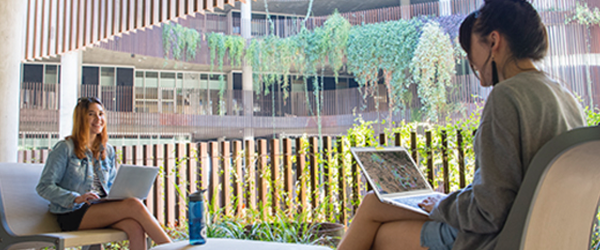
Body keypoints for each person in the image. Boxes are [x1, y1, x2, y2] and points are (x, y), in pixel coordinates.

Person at [337, 0, 587, 249]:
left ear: (493, 41)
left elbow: (489, 211)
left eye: (470, 50)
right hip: (541, 237)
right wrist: (447, 201)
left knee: (380, 230)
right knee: (374, 202)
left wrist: (442, 205)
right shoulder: (565, 96)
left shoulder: (507, 97)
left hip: (495, 238)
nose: (471, 61)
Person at [36, 97, 172, 250]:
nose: (98, 119)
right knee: (134, 205)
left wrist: (121, 193)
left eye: (101, 114)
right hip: (73, 213)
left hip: (100, 208)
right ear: (81, 118)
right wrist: (76, 198)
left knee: (135, 227)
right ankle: (173, 248)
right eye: (91, 114)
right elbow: (44, 186)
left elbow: (112, 185)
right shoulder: (65, 148)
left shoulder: (107, 151)